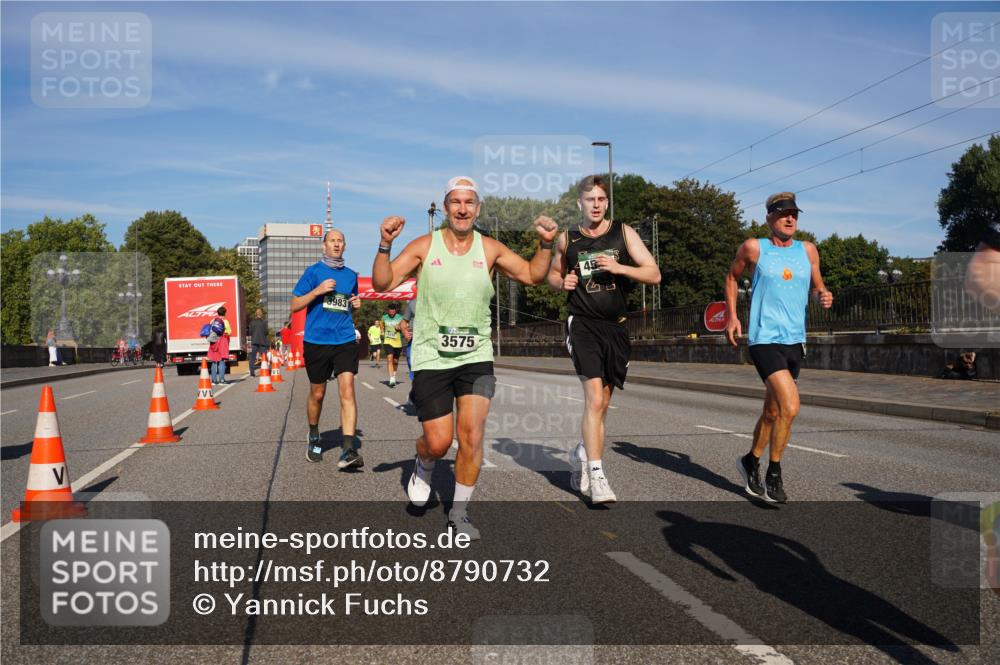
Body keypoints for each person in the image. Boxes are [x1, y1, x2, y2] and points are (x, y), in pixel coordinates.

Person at [373, 176, 557, 540]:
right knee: (439, 441)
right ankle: (424, 463)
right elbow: (382, 284)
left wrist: (545, 244)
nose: (462, 208)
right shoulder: (426, 246)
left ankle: (459, 514)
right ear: (445, 208)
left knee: (472, 435)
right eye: (455, 202)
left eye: (469, 202)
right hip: (431, 356)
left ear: (477, 208)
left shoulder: (490, 249)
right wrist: (384, 245)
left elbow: (533, 275)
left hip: (476, 356)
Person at [547, 175, 661, 504]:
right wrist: (562, 283)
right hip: (582, 324)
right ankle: (597, 476)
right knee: (594, 399)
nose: (595, 205)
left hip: (616, 327)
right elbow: (552, 275)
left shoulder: (623, 233)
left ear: (606, 203)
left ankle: (583, 452)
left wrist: (620, 267)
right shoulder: (567, 240)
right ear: (579, 204)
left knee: (604, 405)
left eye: (601, 199)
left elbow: (653, 274)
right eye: (589, 200)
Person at [725, 192, 833, 504]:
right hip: (764, 338)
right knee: (791, 406)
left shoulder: (808, 251)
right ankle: (774, 471)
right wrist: (732, 316)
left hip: (795, 340)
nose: (790, 219)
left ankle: (749, 461)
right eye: (783, 213)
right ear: (770, 218)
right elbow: (732, 279)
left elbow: (818, 286)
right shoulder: (754, 247)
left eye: (794, 214)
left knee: (773, 411)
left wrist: (823, 295)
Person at [291, 228, 364, 468]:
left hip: (343, 339)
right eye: (332, 240)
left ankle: (347, 450)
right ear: (324, 246)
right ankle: (314, 435)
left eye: (340, 241)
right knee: (318, 393)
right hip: (317, 341)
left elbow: (348, 304)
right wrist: (317, 291)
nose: (336, 244)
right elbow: (295, 304)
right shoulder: (313, 272)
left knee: (348, 391)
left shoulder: (351, 275)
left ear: (344, 246)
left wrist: (356, 303)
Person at [381, 302, 405, 387]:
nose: (392, 311)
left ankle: (394, 375)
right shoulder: (384, 318)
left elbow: (404, 327)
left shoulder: (400, 318)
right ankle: (391, 378)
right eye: (390, 310)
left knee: (395, 361)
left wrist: (400, 328)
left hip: (397, 342)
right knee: (389, 358)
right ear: (388, 310)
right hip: (388, 341)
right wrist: (382, 332)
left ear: (395, 311)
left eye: (393, 310)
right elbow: (382, 326)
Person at [207, 307, 231, 385]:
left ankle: (214, 381)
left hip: (214, 341)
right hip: (222, 342)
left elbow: (209, 330)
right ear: (225, 313)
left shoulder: (213, 321)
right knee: (221, 360)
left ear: (218, 313)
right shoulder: (225, 321)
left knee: (214, 361)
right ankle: (222, 380)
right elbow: (229, 332)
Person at [400, 299, 417, 404]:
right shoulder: (413, 303)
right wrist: (405, 331)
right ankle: (415, 391)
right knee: (413, 368)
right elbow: (404, 322)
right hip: (414, 340)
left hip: (432, 342)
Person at [248, 308, 269, 377]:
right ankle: (266, 371)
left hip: (253, 341)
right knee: (264, 357)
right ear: (261, 314)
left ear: (255, 314)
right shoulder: (264, 322)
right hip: (262, 342)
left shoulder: (252, 322)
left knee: (252, 358)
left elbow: (250, 332)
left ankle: (252, 373)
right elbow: (266, 332)